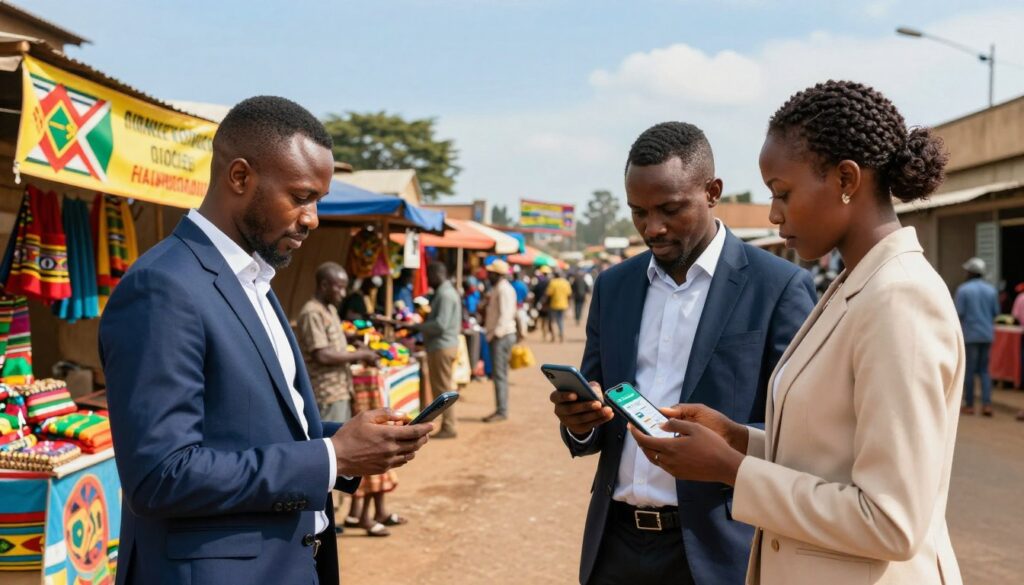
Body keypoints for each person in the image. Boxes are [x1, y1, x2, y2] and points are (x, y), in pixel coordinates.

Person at [632, 81, 965, 585]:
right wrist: (740, 439)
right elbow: (833, 458)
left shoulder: (900, 299)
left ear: (846, 179)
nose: (773, 214)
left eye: (782, 193)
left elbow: (892, 522)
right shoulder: (853, 286)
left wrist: (731, 471)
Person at [99, 96, 433, 585]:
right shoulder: (164, 287)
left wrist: (348, 440)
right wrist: (331, 457)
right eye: (300, 197)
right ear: (239, 177)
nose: (313, 218)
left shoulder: (254, 280)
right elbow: (161, 476)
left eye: (317, 200)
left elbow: (251, 429)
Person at [550, 121, 816, 585]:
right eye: (638, 212)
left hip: (719, 549)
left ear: (712, 191)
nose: (652, 228)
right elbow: (597, 397)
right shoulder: (613, 287)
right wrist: (579, 423)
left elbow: (802, 429)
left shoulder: (777, 288)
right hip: (614, 545)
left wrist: (727, 446)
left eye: (670, 209)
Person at [408, 262, 462, 438]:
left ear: (438, 274)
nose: (428, 280)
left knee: (443, 389)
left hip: (442, 345)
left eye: (429, 276)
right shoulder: (445, 292)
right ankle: (448, 424)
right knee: (443, 386)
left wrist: (419, 326)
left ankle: (449, 426)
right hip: (444, 344)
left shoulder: (445, 294)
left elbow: (440, 325)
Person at [955, 257, 999, 416]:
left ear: (971, 273)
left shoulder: (963, 290)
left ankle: (970, 405)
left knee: (970, 371)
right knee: (985, 371)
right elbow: (996, 312)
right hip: (987, 334)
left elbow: (958, 313)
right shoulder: (991, 290)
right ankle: (987, 404)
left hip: (970, 335)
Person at [483, 259, 519, 422]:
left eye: (490, 273)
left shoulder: (504, 289)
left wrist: (495, 335)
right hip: (500, 335)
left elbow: (506, 315)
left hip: (502, 336)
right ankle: (500, 408)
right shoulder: (499, 288)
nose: (488, 276)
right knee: (499, 374)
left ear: (497, 274)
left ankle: (501, 410)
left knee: (499, 375)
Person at [545, 269, 572, 343]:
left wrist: (545, 303)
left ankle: (554, 336)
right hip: (564, 304)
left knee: (552, 321)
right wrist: (569, 304)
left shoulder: (553, 282)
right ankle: (561, 334)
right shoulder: (566, 282)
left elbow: (548, 294)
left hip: (554, 305)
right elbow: (569, 294)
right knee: (560, 320)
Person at [532, 266, 553, 341]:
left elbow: (534, 293)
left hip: (541, 304)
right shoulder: (551, 282)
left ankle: (544, 335)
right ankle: (549, 334)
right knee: (549, 321)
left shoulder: (538, 282)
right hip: (549, 305)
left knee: (543, 321)